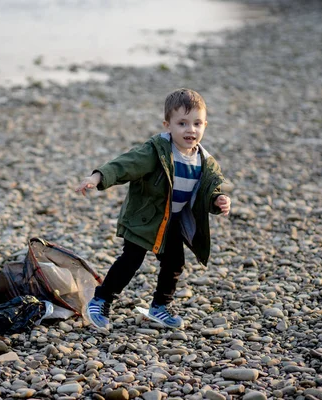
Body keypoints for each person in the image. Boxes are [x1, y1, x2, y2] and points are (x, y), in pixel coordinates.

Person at [75, 88, 231, 330]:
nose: (190, 130)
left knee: (175, 263)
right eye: (182, 123)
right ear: (167, 125)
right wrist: (97, 177)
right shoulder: (156, 152)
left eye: (197, 123)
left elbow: (208, 192)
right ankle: (101, 300)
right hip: (145, 219)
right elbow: (125, 164)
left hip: (172, 222)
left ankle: (159, 307)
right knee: (131, 260)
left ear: (205, 125)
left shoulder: (204, 161)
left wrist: (218, 201)